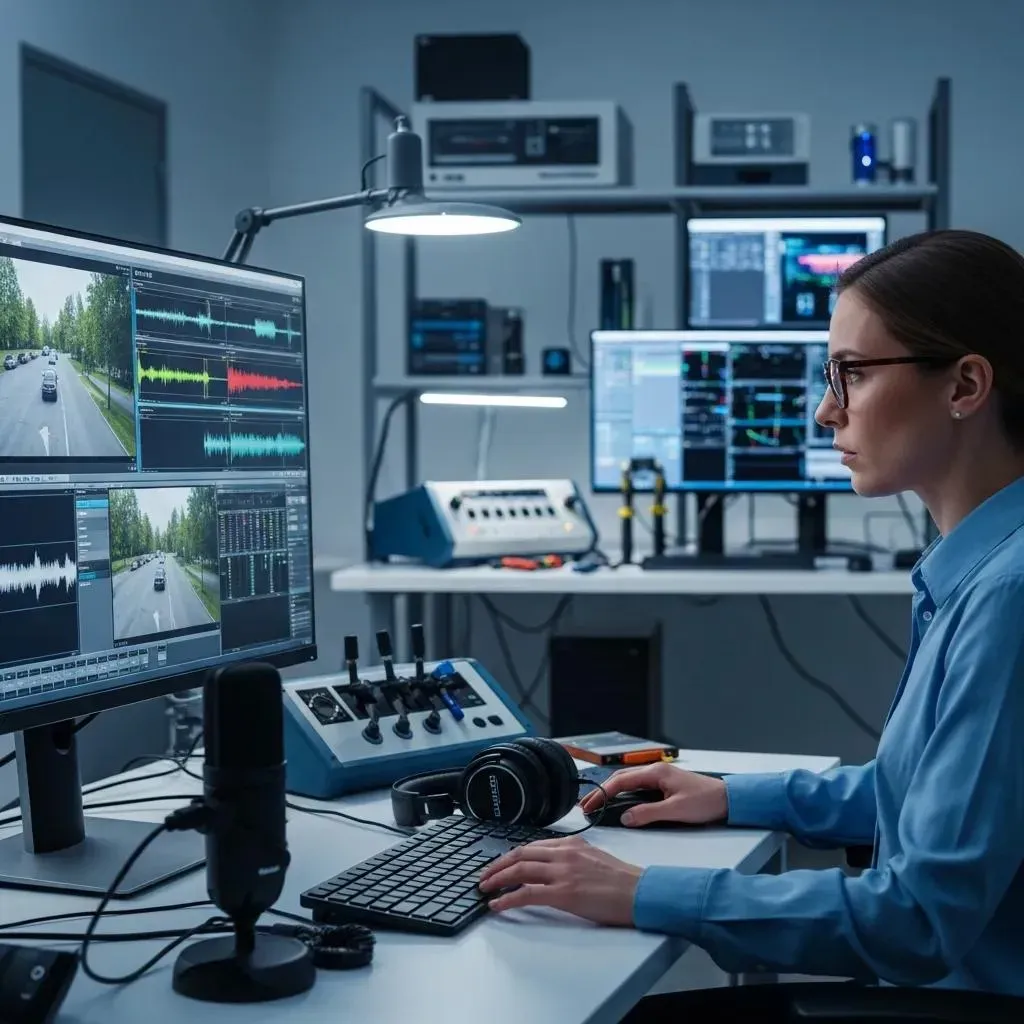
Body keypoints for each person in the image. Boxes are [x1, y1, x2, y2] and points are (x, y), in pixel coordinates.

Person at [478, 229, 1024, 1017]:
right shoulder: (979, 564)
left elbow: (915, 921)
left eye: (854, 374)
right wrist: (730, 794)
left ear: (965, 385)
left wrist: (642, 890)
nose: (824, 408)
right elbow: (924, 799)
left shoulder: (1006, 595)